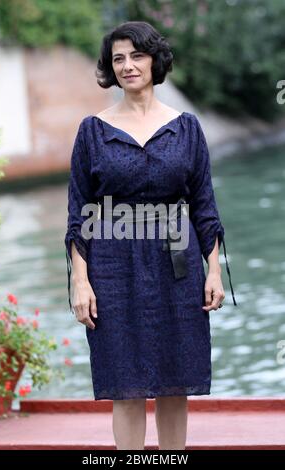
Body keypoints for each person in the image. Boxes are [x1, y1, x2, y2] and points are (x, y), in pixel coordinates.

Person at [64, 20, 237, 450]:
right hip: (111, 266)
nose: (127, 66)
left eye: (137, 55)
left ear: (154, 60)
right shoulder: (92, 130)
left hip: (177, 264)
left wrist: (213, 271)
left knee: (175, 381)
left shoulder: (187, 128)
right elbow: (78, 213)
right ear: (110, 68)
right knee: (125, 383)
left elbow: (204, 206)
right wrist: (80, 281)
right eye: (118, 58)